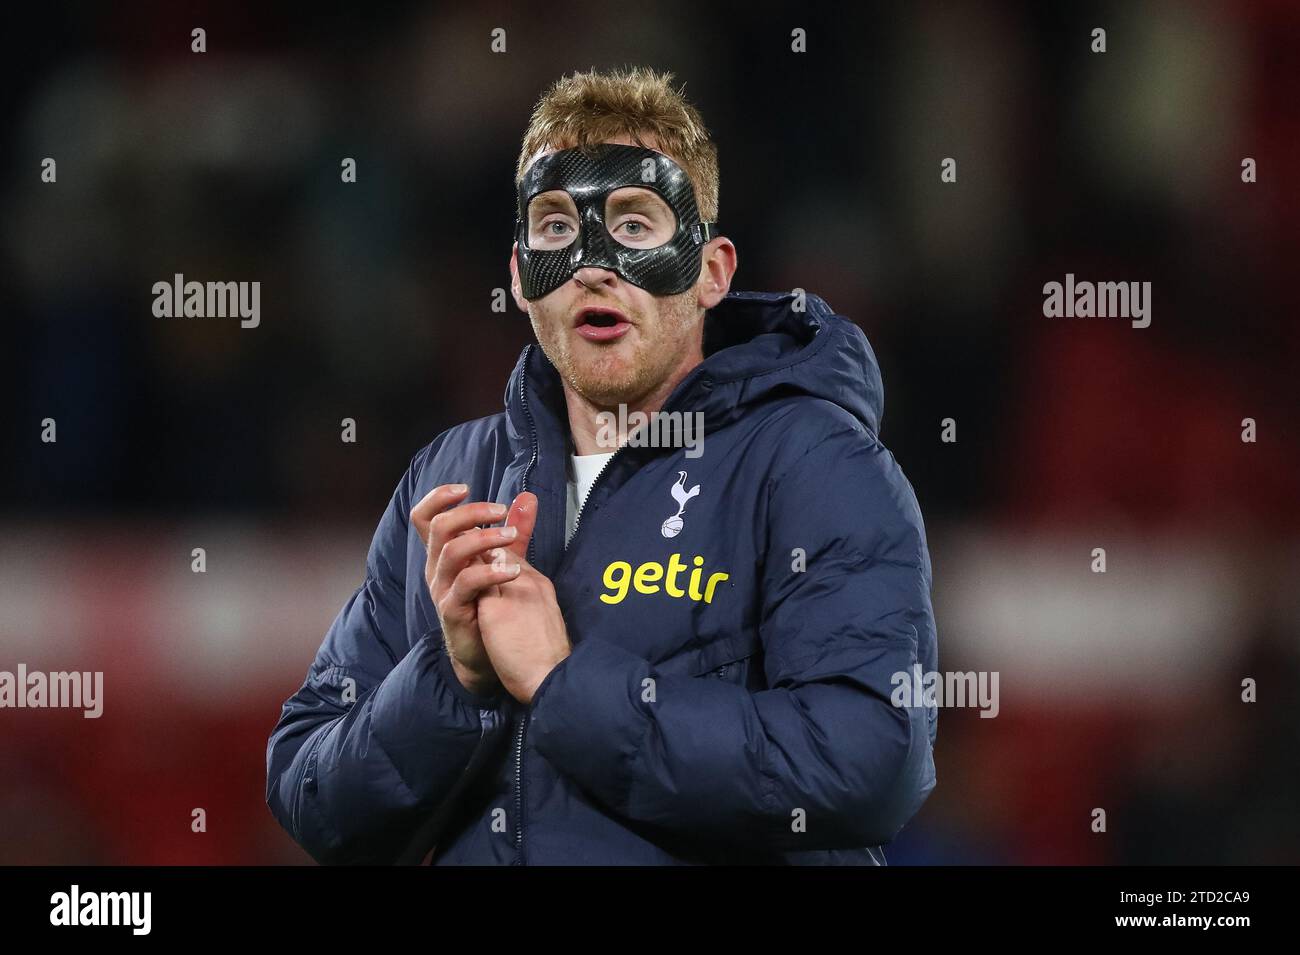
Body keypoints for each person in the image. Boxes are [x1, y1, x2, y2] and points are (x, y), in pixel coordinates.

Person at [266, 65, 938, 865]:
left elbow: (872, 763)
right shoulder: (450, 475)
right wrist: (452, 678)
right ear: (519, 275)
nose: (592, 263)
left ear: (712, 271)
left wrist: (565, 686)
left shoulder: (814, 464)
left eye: (634, 225)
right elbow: (311, 794)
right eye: (555, 227)